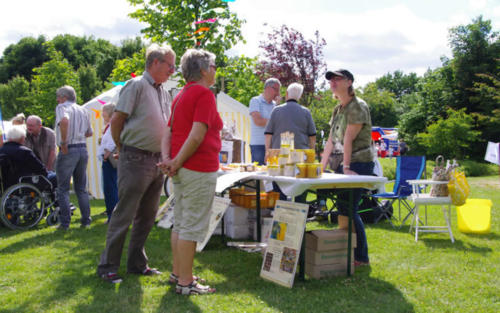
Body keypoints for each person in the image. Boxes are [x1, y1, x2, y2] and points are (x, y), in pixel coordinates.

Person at [97, 44, 175, 284]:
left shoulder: (162, 89)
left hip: (155, 160)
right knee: (125, 214)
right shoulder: (137, 85)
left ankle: (137, 264)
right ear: (155, 62)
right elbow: (118, 120)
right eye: (170, 66)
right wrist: (122, 148)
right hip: (136, 158)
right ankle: (108, 266)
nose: (172, 71)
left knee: (148, 215)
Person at [159, 48, 222, 295]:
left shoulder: (181, 94)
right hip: (197, 167)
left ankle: (179, 274)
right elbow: (197, 135)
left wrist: (170, 160)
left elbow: (168, 131)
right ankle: (186, 282)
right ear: (204, 70)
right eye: (214, 66)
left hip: (183, 168)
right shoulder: (204, 94)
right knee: (192, 225)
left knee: (181, 223)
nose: (216, 70)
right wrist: (174, 162)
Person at [320, 69, 374, 267]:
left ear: (349, 82)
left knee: (349, 208)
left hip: (359, 163)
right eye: (331, 80)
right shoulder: (338, 109)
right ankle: (349, 251)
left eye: (337, 79)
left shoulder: (358, 106)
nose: (333, 82)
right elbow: (331, 142)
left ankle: (361, 257)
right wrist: (320, 168)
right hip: (345, 164)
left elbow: (348, 138)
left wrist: (348, 167)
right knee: (343, 208)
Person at [55, 85, 93, 230]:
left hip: (69, 148)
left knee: (63, 188)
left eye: (59, 97)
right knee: (81, 188)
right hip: (82, 148)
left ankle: (65, 223)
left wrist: (64, 141)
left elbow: (64, 121)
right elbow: (90, 132)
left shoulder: (62, 108)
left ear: (64, 97)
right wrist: (78, 134)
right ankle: (86, 220)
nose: (58, 100)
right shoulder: (83, 110)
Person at [264, 82, 316, 153]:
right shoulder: (306, 112)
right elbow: (312, 136)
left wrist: (267, 152)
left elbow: (268, 134)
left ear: (287, 93)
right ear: (300, 96)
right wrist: (311, 153)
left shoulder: (276, 110)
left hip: (279, 153)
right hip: (300, 154)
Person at [249, 78, 281, 165]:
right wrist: (273, 122)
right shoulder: (255, 101)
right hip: (258, 145)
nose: (278, 93)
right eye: (276, 90)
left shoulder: (275, 105)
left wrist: (277, 107)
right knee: (258, 174)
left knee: (273, 174)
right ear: (268, 88)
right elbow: (258, 121)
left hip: (272, 145)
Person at [97, 103, 118, 223]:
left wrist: (106, 154)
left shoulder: (113, 125)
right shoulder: (110, 125)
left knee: (110, 188)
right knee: (111, 187)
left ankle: (112, 216)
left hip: (110, 161)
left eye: (104, 112)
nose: (102, 115)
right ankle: (112, 215)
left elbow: (113, 140)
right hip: (108, 159)